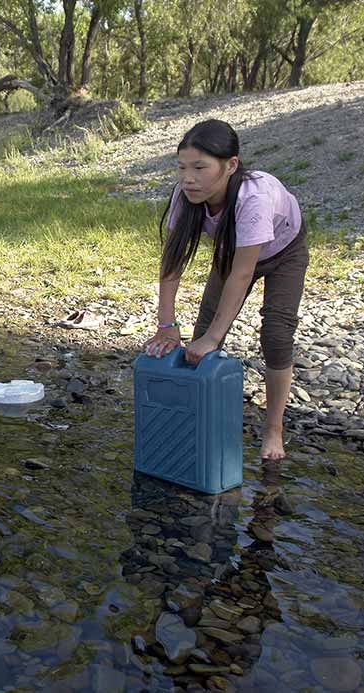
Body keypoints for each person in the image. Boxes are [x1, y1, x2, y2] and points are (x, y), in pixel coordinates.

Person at [145, 119, 309, 460]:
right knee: (200, 338)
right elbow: (172, 262)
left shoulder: (254, 197)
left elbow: (241, 274)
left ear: (231, 165)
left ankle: (273, 429)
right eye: (181, 167)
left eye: (200, 168)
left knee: (276, 333)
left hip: (284, 252)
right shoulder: (185, 195)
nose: (188, 178)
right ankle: (195, 418)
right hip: (232, 251)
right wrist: (166, 325)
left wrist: (213, 339)